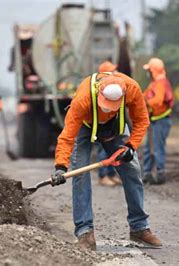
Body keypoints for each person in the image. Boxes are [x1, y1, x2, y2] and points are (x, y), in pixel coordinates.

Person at [51, 71, 161, 250]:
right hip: (85, 129)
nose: (108, 108)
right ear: (98, 92)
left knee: (132, 170)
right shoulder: (83, 98)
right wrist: (61, 167)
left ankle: (139, 228)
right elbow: (67, 136)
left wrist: (131, 147)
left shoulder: (132, 89)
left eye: (112, 105)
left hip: (115, 130)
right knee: (80, 175)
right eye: (105, 104)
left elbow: (142, 120)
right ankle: (85, 232)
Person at [142, 58, 173, 184]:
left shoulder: (160, 83)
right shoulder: (154, 83)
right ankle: (147, 173)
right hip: (154, 120)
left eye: (149, 70)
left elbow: (158, 100)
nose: (148, 72)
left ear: (153, 70)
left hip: (160, 121)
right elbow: (145, 95)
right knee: (148, 148)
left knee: (157, 148)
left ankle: (160, 174)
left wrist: (146, 103)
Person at [96, 61, 120, 186]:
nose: (116, 73)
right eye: (112, 71)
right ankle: (103, 175)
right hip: (103, 124)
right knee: (103, 149)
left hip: (111, 123)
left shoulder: (115, 86)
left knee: (112, 149)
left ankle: (111, 174)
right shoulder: (102, 89)